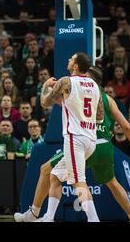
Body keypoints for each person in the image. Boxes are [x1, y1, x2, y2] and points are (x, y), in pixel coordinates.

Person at [15, 66, 130, 222]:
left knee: (52, 173)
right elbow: (126, 126)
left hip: (84, 144)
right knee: (112, 182)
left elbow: (48, 102)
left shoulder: (77, 93)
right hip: (104, 146)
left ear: (90, 80)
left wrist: (48, 87)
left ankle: (37, 214)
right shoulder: (108, 99)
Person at [39, 53, 103, 222]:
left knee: (78, 181)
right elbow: (100, 116)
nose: (68, 60)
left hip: (75, 139)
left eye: (71, 59)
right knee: (55, 176)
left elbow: (45, 103)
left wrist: (45, 86)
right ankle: (48, 217)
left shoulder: (66, 81)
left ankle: (93, 219)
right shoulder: (94, 85)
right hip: (90, 139)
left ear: (75, 66)